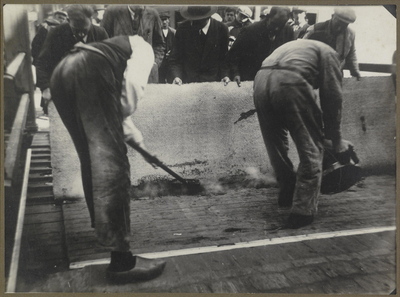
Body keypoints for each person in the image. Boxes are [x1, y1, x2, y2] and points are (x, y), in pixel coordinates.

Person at [50, 35, 166, 282]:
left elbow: (116, 106)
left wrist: (143, 147)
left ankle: (102, 227)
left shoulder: (116, 46)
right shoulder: (145, 50)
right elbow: (129, 94)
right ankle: (122, 263)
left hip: (62, 71)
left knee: (90, 157)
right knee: (113, 164)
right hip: (91, 69)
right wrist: (129, 136)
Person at [253, 39, 353, 229]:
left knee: (275, 143)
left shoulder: (299, 45)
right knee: (311, 149)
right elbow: (332, 97)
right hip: (290, 81)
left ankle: (287, 190)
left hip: (261, 79)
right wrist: (336, 138)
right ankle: (302, 212)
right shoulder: (330, 53)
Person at [35, 5, 108, 115]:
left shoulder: (100, 34)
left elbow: (109, 63)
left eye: (85, 30)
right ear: (68, 21)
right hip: (62, 90)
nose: (81, 34)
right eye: (76, 30)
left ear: (91, 19)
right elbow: (41, 62)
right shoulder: (56, 33)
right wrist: (45, 88)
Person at [225, 6, 293, 86]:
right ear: (268, 17)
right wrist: (235, 74)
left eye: (281, 25)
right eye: (274, 24)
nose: (277, 28)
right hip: (250, 80)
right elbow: (233, 55)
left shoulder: (288, 31)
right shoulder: (250, 30)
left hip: (275, 82)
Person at [100, 5, 165, 83]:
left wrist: (154, 63)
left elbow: (159, 43)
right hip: (119, 74)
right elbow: (102, 42)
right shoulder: (112, 12)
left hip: (146, 75)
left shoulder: (153, 14)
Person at [168, 6, 230, 85]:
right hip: (188, 84)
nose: (193, 23)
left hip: (213, 84)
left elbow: (224, 59)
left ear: (208, 17)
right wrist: (177, 76)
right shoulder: (182, 29)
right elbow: (175, 59)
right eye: (191, 19)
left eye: (198, 20)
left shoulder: (221, 29)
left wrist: (225, 75)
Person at [303, 7, 361, 80]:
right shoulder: (314, 30)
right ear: (332, 16)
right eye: (338, 23)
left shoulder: (350, 34)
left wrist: (355, 70)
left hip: (335, 76)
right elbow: (301, 51)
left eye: (344, 25)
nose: (339, 28)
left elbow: (351, 54)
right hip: (313, 76)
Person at [158, 11, 176, 83]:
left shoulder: (173, 32)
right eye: (162, 20)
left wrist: (171, 52)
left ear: (168, 20)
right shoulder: (157, 32)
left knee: (171, 80)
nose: (164, 22)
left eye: (166, 19)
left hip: (170, 62)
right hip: (161, 62)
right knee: (161, 81)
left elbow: (176, 46)